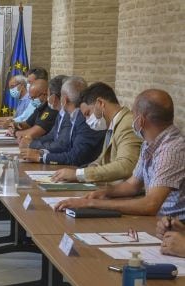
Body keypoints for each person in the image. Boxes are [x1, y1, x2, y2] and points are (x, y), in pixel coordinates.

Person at [55, 89, 185, 217]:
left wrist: (91, 203)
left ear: (141, 121)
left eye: (133, 114)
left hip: (174, 225)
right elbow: (132, 185)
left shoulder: (171, 150)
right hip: (158, 220)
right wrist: (105, 193)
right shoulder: (149, 143)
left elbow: (150, 205)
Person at [51, 82, 142, 183]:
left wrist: (79, 175)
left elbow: (126, 165)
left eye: (88, 113)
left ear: (100, 103)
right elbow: (101, 160)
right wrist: (82, 171)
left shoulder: (127, 124)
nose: (87, 120)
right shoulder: (112, 125)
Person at [22, 76, 105, 166]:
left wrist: (41, 156)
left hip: (82, 170)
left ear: (64, 100)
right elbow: (54, 137)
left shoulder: (83, 118)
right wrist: (41, 152)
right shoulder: (73, 115)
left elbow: (72, 153)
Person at [21, 75, 71, 151]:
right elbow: (51, 135)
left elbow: (60, 145)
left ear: (53, 97)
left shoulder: (68, 116)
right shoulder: (60, 113)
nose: (47, 99)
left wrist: (32, 144)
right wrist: (32, 142)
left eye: (47, 95)